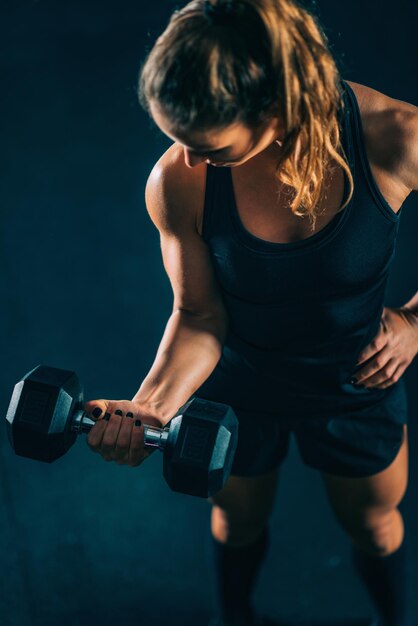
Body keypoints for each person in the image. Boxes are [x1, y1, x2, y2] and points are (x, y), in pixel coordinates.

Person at [84, 0, 418, 624]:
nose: (187, 159)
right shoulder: (177, 180)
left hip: (357, 381)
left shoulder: (395, 135)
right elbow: (200, 315)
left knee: (375, 527)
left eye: (207, 146)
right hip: (240, 382)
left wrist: (417, 322)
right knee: (236, 521)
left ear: (274, 112)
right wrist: (153, 405)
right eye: (176, 138)